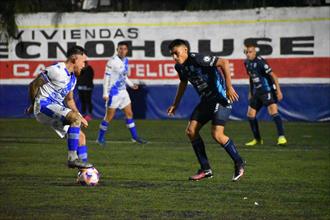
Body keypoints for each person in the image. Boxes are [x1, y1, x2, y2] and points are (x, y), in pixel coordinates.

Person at [167, 39, 245, 181]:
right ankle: (206, 169)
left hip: (220, 99)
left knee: (217, 134)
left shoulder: (198, 58)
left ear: (185, 50)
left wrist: (229, 87)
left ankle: (239, 162)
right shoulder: (180, 67)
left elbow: (224, 62)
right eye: (172, 54)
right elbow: (183, 83)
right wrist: (175, 104)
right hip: (206, 101)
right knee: (191, 131)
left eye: (176, 53)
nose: (174, 57)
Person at [26, 45, 93, 169]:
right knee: (75, 119)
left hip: (54, 108)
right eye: (83, 61)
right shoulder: (56, 70)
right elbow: (33, 85)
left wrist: (79, 116)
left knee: (81, 137)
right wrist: (33, 104)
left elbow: (70, 100)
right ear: (74, 58)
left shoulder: (73, 79)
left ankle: (84, 172)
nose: (85, 65)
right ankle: (72, 159)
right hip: (43, 106)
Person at [96, 41, 147, 145]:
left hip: (123, 92)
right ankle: (100, 138)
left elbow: (124, 77)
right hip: (113, 93)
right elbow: (106, 78)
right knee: (109, 117)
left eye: (124, 49)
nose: (122, 51)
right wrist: (105, 93)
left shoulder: (126, 61)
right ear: (117, 50)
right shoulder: (112, 62)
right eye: (120, 49)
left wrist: (132, 85)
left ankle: (135, 137)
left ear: (127, 50)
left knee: (129, 114)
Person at [243, 44, 287, 146]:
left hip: (267, 91)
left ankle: (281, 137)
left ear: (254, 52)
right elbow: (251, 77)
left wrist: (278, 91)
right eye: (246, 52)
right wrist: (250, 91)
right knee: (250, 115)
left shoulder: (261, 62)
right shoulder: (246, 63)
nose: (248, 54)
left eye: (250, 52)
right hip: (257, 92)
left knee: (273, 112)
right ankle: (257, 139)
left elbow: (273, 76)